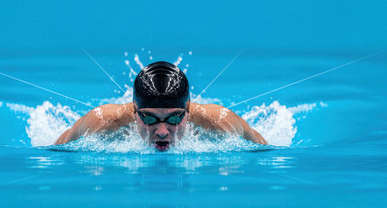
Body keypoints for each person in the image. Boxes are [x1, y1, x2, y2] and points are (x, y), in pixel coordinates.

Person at [55, 61, 267, 150]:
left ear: (189, 110)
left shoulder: (221, 122)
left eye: (175, 118)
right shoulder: (100, 123)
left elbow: (262, 147)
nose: (163, 132)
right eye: (149, 118)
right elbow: (58, 148)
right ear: (133, 109)